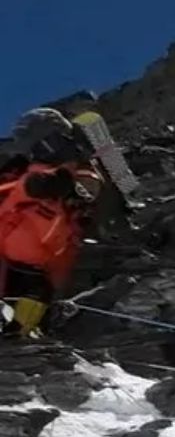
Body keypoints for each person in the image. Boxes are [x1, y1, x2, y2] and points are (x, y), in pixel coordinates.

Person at [0, 110, 103, 339]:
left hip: (34, 254)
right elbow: (32, 187)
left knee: (36, 291)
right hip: (20, 251)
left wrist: (61, 184)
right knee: (33, 290)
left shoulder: (72, 170)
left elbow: (86, 188)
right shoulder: (30, 172)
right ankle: (19, 334)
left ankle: (20, 334)